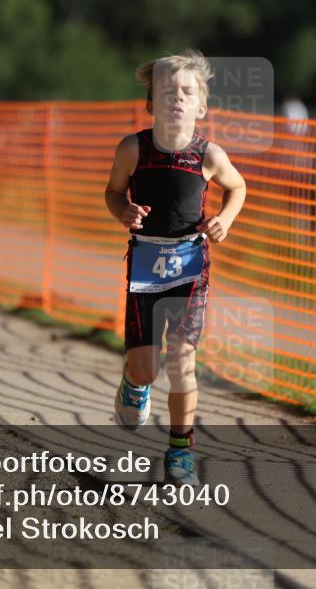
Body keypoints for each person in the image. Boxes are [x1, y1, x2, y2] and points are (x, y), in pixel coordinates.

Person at [104, 50, 246, 485]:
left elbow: (237, 187)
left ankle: (180, 452)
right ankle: (134, 383)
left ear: (201, 106)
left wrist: (224, 218)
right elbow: (112, 193)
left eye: (187, 92)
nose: (177, 98)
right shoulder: (133, 149)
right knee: (147, 366)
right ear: (151, 102)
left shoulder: (209, 154)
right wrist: (122, 211)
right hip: (146, 266)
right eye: (167, 91)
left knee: (183, 361)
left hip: (190, 267)